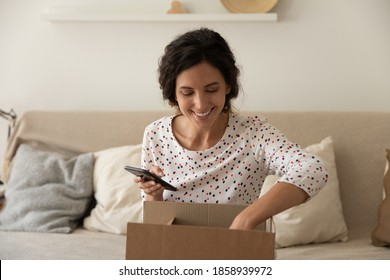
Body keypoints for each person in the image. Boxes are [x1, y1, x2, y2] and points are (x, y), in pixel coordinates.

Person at [134, 28, 328, 230]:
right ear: (173, 93)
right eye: (187, 92)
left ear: (228, 85)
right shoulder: (156, 134)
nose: (200, 104)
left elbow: (313, 169)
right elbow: (153, 231)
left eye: (212, 89)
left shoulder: (254, 133)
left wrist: (247, 218)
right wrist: (153, 195)